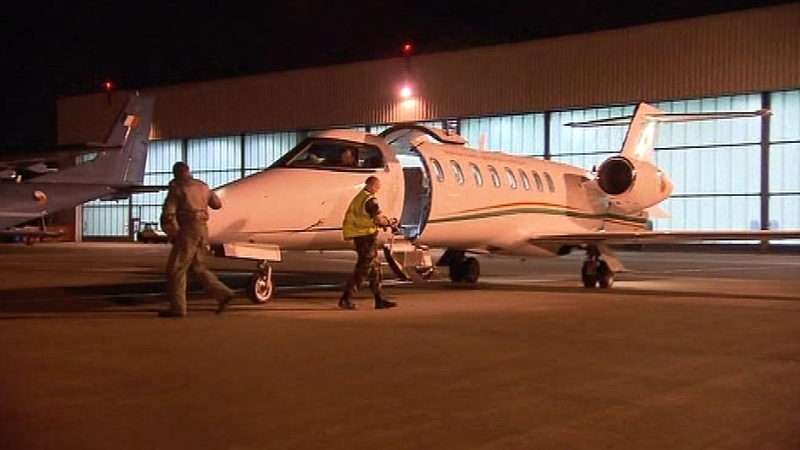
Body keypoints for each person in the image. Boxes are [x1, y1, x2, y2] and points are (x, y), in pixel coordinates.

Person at [158, 161, 235, 317]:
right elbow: (217, 204)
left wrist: (170, 231)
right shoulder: (203, 186)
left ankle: (178, 309)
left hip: (188, 230)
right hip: (203, 230)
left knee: (176, 269)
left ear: (177, 173)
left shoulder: (177, 187)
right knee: (198, 268)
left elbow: (168, 212)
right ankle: (223, 294)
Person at [339, 175, 398, 310]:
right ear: (372, 186)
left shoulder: (359, 198)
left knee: (375, 268)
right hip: (365, 237)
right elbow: (378, 219)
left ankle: (379, 298)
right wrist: (390, 223)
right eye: (377, 187)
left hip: (361, 236)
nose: (377, 190)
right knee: (364, 268)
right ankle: (346, 297)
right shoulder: (370, 200)